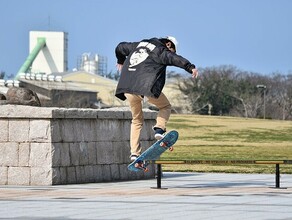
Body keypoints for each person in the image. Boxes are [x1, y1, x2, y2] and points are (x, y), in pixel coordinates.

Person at [115, 36, 198, 161]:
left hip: (127, 87)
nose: (171, 53)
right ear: (169, 44)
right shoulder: (161, 50)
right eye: (172, 50)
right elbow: (175, 59)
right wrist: (190, 67)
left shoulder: (136, 45)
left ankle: (134, 153)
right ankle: (159, 129)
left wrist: (121, 60)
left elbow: (120, 47)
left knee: (136, 120)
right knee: (165, 106)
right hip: (146, 87)